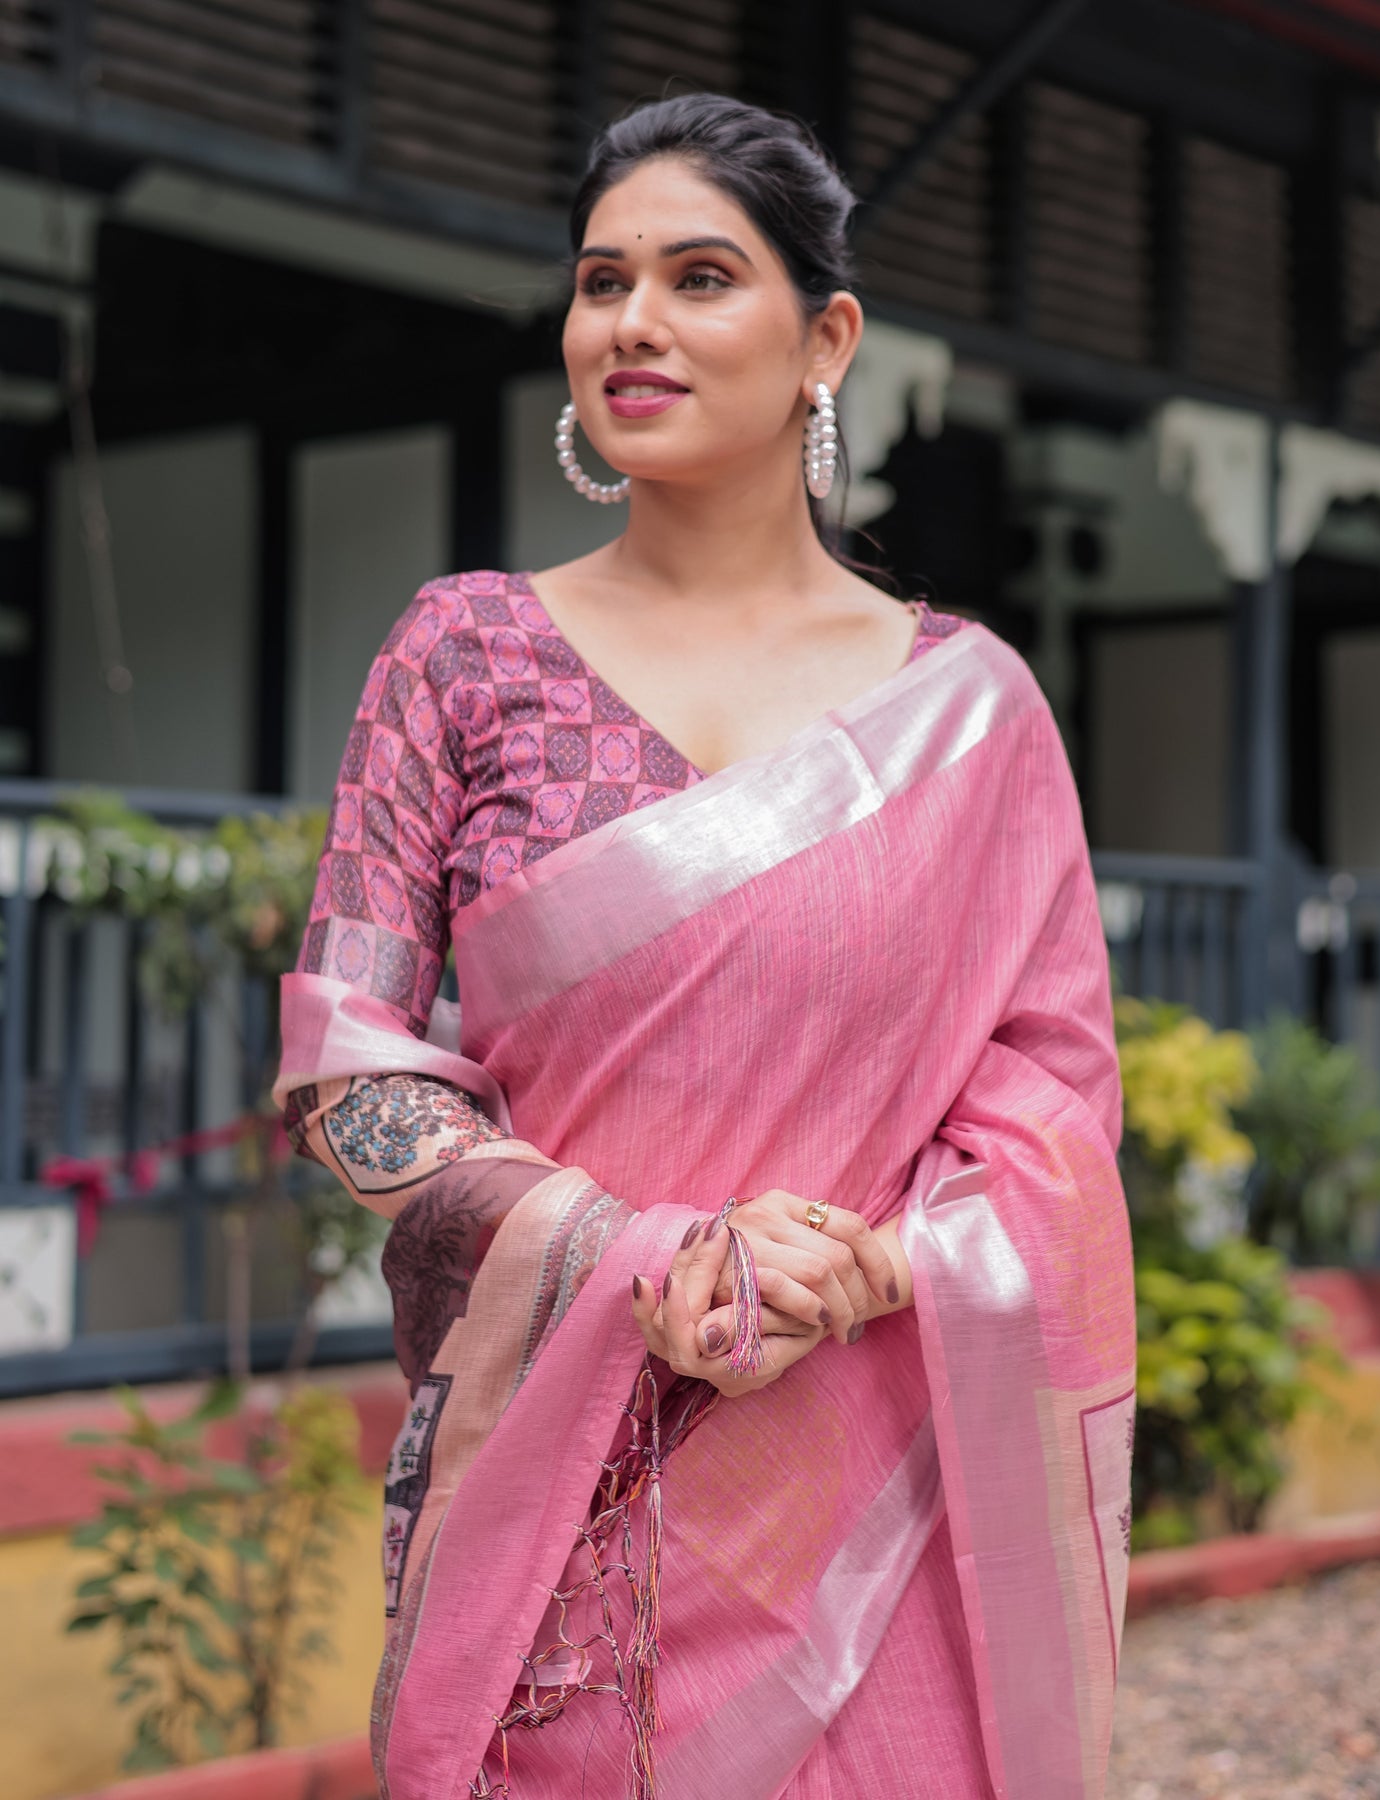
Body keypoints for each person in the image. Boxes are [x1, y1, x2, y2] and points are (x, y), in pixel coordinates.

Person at [274, 91, 1135, 1800]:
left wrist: (872, 1271)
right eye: (604, 281)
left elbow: (1052, 1100)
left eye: (700, 277)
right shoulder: (465, 653)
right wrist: (642, 1256)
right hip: (564, 1500)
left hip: (875, 1492)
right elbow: (347, 1070)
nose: (633, 323)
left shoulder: (968, 713)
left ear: (828, 341)